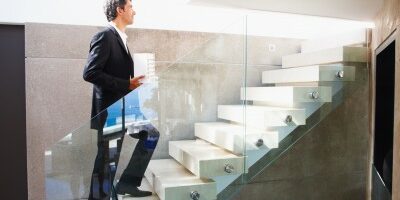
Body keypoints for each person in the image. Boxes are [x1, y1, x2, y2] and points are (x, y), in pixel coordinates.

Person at [83, 0, 155, 198]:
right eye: (131, 7)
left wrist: (135, 84)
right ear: (120, 10)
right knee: (107, 161)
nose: (134, 11)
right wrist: (126, 84)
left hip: (126, 109)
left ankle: (127, 184)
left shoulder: (122, 38)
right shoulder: (104, 36)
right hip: (111, 112)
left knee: (150, 135)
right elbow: (90, 73)